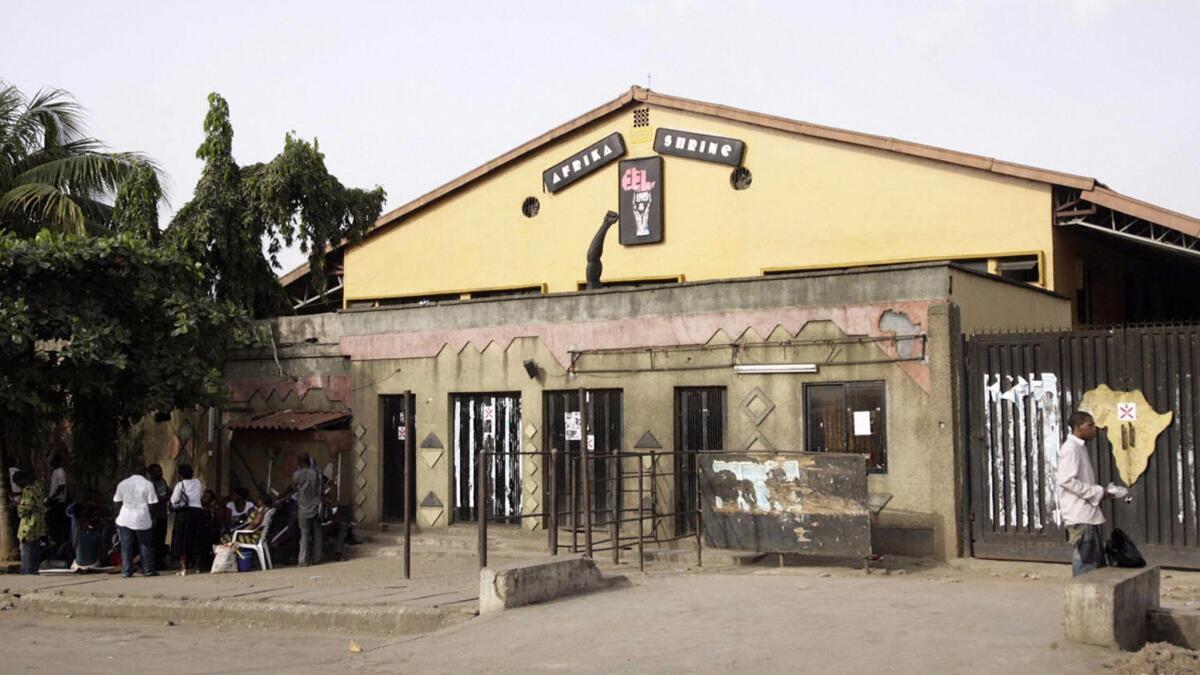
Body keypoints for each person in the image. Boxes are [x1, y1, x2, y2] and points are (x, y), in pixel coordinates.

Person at [1057, 411, 1112, 577]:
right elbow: (1066, 480)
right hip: (1079, 514)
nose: (1094, 429)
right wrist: (1096, 492)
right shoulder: (1071, 448)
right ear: (1077, 428)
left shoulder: (1079, 447)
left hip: (1087, 513)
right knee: (1085, 563)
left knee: (1093, 562)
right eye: (1090, 426)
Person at [113, 466, 159, 578]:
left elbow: (117, 501)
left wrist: (117, 514)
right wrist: (153, 517)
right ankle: (148, 570)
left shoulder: (122, 484)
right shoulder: (148, 484)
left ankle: (127, 571)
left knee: (126, 546)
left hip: (125, 518)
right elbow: (153, 503)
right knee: (145, 545)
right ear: (145, 473)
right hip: (142, 518)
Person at [169, 465, 204, 575]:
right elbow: (200, 494)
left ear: (180, 475)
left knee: (182, 539)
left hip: (184, 514)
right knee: (196, 538)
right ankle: (197, 566)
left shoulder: (180, 485)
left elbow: (174, 500)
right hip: (197, 512)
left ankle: (183, 567)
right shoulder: (198, 482)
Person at [290, 454, 323, 566]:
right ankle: (316, 559)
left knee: (304, 534)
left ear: (299, 462)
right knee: (317, 534)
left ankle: (303, 560)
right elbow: (321, 489)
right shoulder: (316, 473)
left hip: (303, 508)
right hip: (316, 507)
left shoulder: (297, 475)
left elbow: (294, 488)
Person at [14, 471, 46, 575]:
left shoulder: (28, 491)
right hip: (38, 523)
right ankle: (34, 571)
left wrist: (17, 506)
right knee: (35, 549)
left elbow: (26, 508)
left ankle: (27, 573)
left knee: (26, 549)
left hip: (29, 524)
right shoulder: (38, 488)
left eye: (18, 482)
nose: (18, 485)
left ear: (23, 479)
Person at [147, 464, 171, 567]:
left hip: (162, 514)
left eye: (160, 471)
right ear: (151, 473)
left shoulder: (163, 481)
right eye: (157, 472)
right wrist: (163, 497)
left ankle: (159, 561)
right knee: (153, 540)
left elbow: (169, 493)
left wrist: (165, 497)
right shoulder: (149, 484)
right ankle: (152, 562)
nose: (160, 473)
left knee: (161, 539)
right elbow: (153, 499)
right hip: (153, 516)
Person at [46, 454, 69, 545]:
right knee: (54, 523)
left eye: (54, 460)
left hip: (58, 501)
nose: (52, 463)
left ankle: (60, 542)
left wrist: (52, 498)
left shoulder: (60, 471)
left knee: (58, 523)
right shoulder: (55, 472)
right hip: (55, 501)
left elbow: (61, 486)